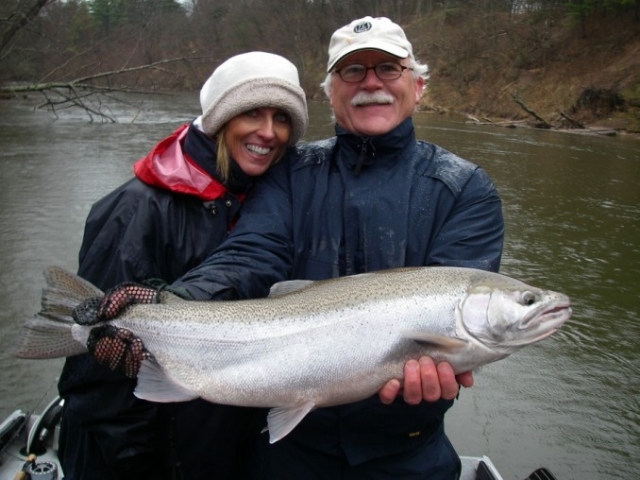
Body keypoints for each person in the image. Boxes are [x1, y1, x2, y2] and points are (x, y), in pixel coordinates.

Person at [95, 15, 503, 480]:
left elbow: (458, 310)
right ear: (330, 92)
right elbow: (251, 254)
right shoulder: (292, 172)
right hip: (288, 449)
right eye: (353, 71)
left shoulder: (465, 189)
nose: (372, 83)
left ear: (419, 85)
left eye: (389, 68)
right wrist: (178, 301)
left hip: (408, 451)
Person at [57, 51, 308, 480]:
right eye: (252, 113)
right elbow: (99, 373)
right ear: (219, 119)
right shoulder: (135, 210)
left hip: (210, 452)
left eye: (282, 119)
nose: (268, 133)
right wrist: (140, 464)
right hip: (136, 459)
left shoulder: (267, 204)